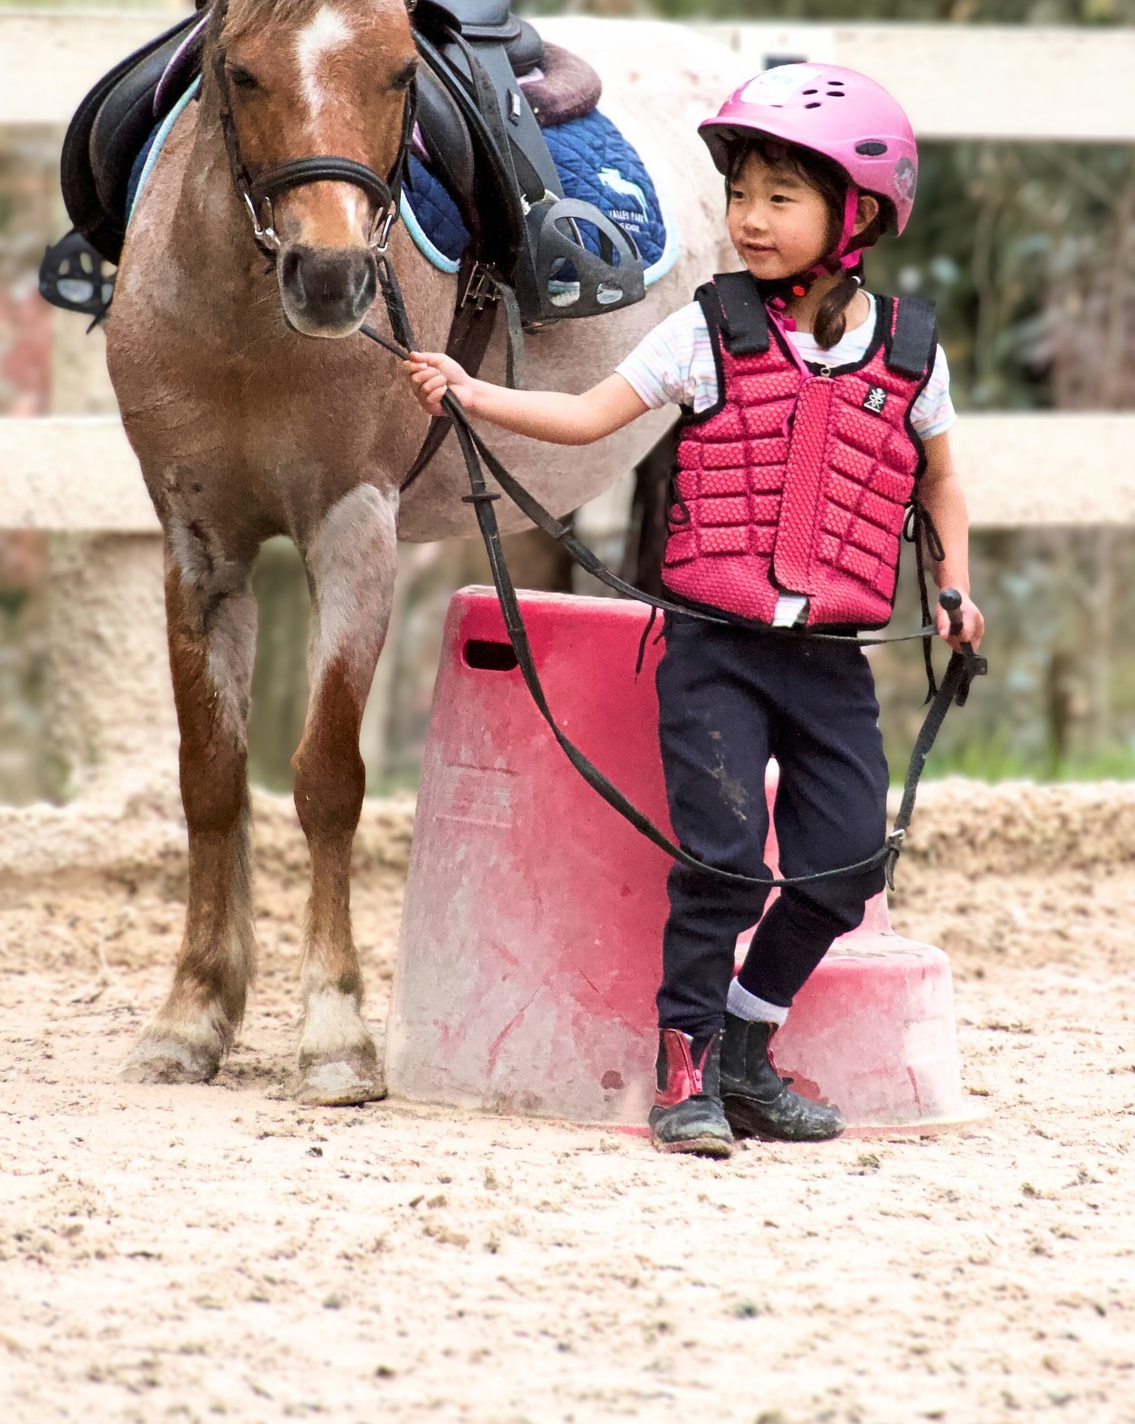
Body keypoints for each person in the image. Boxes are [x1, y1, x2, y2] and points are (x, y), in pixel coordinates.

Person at [404, 64, 984, 1158]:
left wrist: (955, 582)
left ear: (855, 217)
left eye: (781, 198)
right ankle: (686, 1070)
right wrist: (472, 394)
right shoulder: (704, 332)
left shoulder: (913, 355)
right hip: (716, 652)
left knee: (850, 860)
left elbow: (941, 480)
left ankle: (750, 1048)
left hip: (831, 658)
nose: (751, 219)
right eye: (743, 194)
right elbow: (585, 416)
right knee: (723, 858)